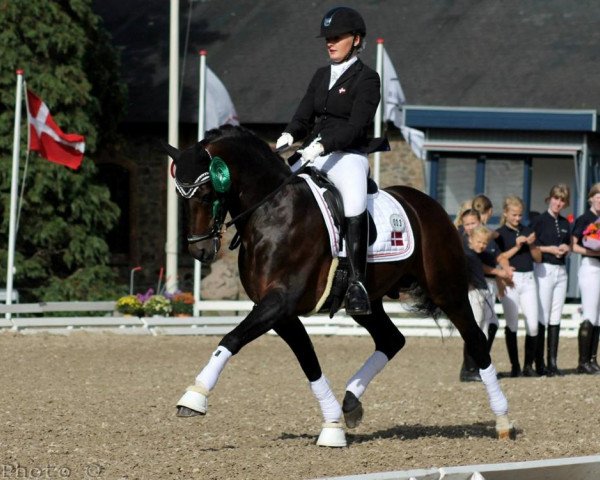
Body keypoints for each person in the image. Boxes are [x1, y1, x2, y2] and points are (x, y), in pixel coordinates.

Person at [275, 6, 388, 316]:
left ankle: (357, 283)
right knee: (277, 188)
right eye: (327, 37)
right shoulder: (321, 74)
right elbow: (303, 115)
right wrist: (288, 135)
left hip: (347, 155)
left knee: (353, 203)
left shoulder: (368, 78)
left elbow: (357, 126)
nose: (330, 42)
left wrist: (323, 145)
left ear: (355, 39)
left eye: (336, 37)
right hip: (313, 152)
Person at [458, 211, 512, 381]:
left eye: (484, 243)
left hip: (484, 290)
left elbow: (495, 256)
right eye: (479, 242)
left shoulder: (477, 249)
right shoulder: (465, 249)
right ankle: (468, 369)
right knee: (475, 330)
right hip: (474, 292)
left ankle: (480, 364)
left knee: (492, 325)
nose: (482, 245)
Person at [495, 196, 542, 377]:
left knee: (533, 324)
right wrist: (516, 246)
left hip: (529, 279)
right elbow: (500, 257)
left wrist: (530, 245)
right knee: (512, 323)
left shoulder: (528, 230)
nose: (517, 218)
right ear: (506, 213)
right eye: (514, 215)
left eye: (520, 215)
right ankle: (515, 365)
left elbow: (537, 258)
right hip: (511, 280)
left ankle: (528, 365)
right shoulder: (500, 234)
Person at [531, 184, 571, 376]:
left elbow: (570, 243)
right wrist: (549, 249)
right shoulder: (539, 220)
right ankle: (539, 363)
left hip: (561, 270)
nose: (558, 203)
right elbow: (534, 244)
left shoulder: (565, 223)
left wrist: (565, 248)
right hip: (544, 268)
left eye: (562, 200)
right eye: (556, 198)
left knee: (556, 315)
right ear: (550, 198)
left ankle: (552, 362)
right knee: (543, 315)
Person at [571, 183, 600, 374]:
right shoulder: (585, 218)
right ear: (591, 198)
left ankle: (592, 358)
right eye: (597, 196)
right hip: (590, 266)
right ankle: (582, 361)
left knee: (598, 316)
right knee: (589, 313)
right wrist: (592, 250)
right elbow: (573, 245)